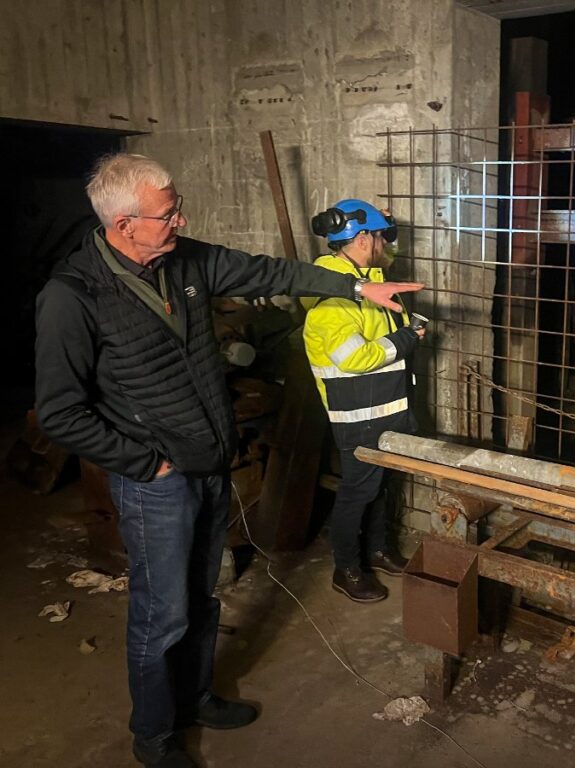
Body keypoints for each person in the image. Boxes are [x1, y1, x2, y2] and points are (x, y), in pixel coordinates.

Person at [33, 154, 422, 768]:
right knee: (162, 615)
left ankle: (197, 696)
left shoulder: (184, 259)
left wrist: (356, 285)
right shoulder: (73, 295)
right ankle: (156, 736)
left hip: (210, 465)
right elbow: (60, 412)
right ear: (124, 223)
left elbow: (271, 272)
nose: (181, 219)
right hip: (156, 481)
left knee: (204, 598)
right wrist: (144, 464)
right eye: (168, 213)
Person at [302, 199, 422, 602]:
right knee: (357, 493)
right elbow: (354, 358)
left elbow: (384, 256)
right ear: (363, 238)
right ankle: (347, 569)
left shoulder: (366, 278)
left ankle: (379, 550)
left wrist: (388, 224)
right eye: (378, 236)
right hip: (357, 416)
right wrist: (407, 339)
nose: (385, 244)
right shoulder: (333, 298)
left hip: (386, 409)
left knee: (380, 487)